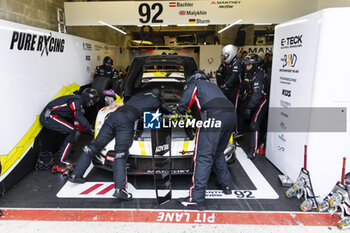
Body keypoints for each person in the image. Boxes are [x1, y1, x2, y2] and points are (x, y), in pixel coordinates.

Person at [69, 89, 161, 200]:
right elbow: (154, 118)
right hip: (126, 120)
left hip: (114, 115)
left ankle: (76, 174)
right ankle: (120, 190)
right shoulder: (156, 101)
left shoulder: (138, 94)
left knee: (94, 146)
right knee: (121, 153)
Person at [176, 71, 236, 207]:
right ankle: (226, 184)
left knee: (203, 156)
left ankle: (196, 197)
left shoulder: (195, 84)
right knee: (218, 152)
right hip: (231, 115)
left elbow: (185, 102)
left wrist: (178, 112)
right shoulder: (213, 86)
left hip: (214, 117)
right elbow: (200, 109)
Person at [39, 88, 99, 171]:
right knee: (73, 131)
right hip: (49, 116)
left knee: (73, 131)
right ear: (86, 98)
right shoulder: (76, 101)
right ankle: (62, 160)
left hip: (52, 115)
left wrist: (89, 130)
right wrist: (90, 128)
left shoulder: (78, 102)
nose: (90, 104)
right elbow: (79, 117)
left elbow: (77, 122)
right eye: (91, 101)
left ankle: (62, 153)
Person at [237, 55, 268, 159]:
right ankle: (239, 131)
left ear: (254, 65)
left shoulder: (258, 76)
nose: (247, 66)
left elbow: (257, 95)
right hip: (251, 97)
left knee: (254, 124)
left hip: (261, 100)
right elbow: (245, 85)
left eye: (249, 64)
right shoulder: (248, 72)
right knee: (241, 111)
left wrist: (249, 107)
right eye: (246, 64)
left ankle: (252, 150)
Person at [216, 44, 242, 111]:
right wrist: (220, 84)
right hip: (227, 88)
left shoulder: (237, 62)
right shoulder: (226, 63)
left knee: (233, 107)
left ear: (231, 54)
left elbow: (234, 75)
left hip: (235, 89)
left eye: (226, 55)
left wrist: (226, 84)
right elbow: (219, 72)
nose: (225, 57)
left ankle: (234, 120)